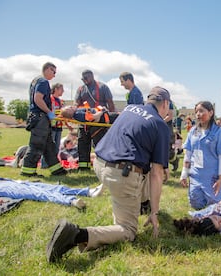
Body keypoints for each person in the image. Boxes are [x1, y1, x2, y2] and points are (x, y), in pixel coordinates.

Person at [46, 86, 171, 263]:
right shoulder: (160, 124)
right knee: (127, 231)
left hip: (100, 164)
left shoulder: (129, 109)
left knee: (144, 169)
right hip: (121, 175)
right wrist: (156, 213)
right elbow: (158, 173)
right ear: (165, 103)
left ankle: (142, 203)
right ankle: (76, 234)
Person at [180, 101, 221, 210]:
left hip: (211, 178)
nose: (198, 114)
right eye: (196, 112)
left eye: (201, 111)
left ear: (211, 112)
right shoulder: (193, 131)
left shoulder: (219, 132)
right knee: (196, 205)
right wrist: (184, 174)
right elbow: (188, 154)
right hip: (195, 176)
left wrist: (220, 179)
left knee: (214, 208)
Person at [20, 62, 67, 177]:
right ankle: (28, 171)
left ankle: (57, 170)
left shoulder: (35, 80)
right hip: (40, 117)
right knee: (37, 145)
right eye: (53, 71)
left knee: (49, 145)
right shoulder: (43, 81)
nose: (54, 75)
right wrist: (48, 112)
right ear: (46, 69)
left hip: (39, 117)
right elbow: (38, 99)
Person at [75, 69, 115, 171]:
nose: (84, 80)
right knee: (82, 144)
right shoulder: (80, 89)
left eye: (86, 78)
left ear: (92, 76)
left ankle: (103, 167)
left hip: (99, 121)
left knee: (100, 144)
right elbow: (76, 104)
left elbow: (110, 104)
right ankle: (83, 167)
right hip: (83, 121)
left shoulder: (103, 87)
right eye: (82, 79)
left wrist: (111, 120)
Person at [0, 177, 103, 209]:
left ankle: (88, 192)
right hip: (14, 189)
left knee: (55, 187)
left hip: (20, 183)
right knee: (40, 194)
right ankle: (71, 201)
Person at [41, 83, 72, 168]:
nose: (63, 91)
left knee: (56, 147)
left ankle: (53, 164)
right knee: (48, 146)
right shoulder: (49, 99)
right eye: (61, 89)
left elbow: (63, 114)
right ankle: (44, 164)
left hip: (58, 127)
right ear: (56, 89)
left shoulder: (60, 101)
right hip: (51, 126)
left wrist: (68, 125)